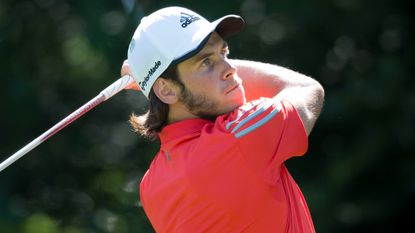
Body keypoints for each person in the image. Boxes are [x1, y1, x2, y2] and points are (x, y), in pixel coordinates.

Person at [121, 6, 324, 233]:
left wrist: (150, 80)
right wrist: (149, 81)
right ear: (167, 91)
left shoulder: (151, 186)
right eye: (206, 62)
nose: (232, 68)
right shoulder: (239, 137)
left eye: (224, 53)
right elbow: (306, 89)